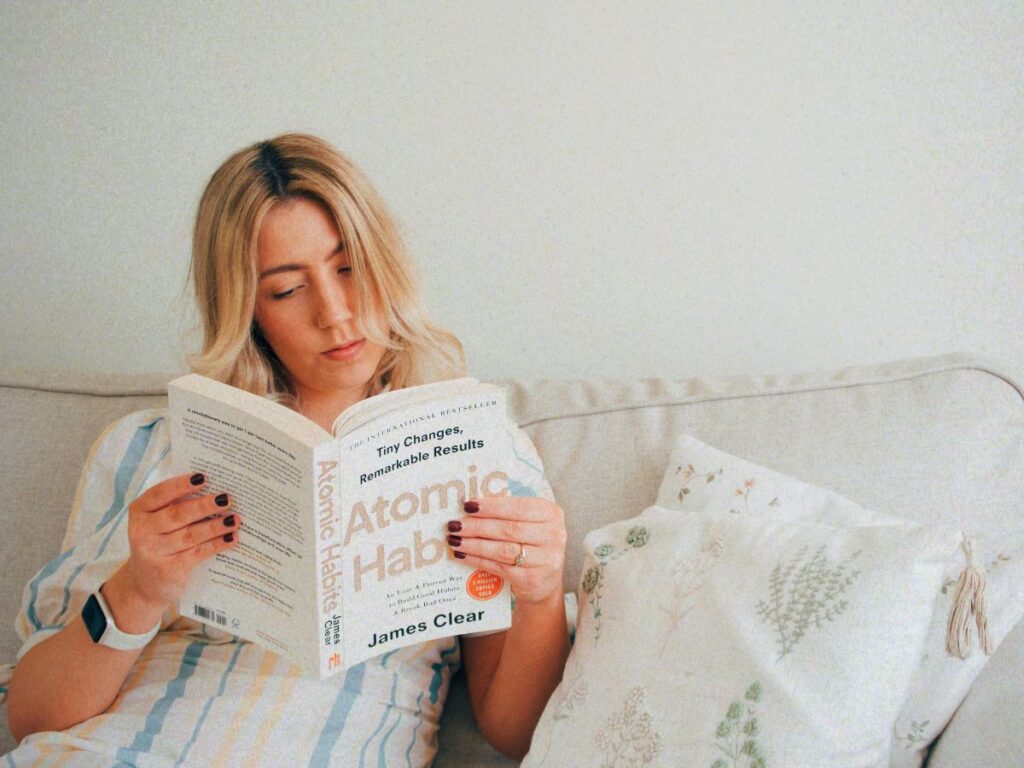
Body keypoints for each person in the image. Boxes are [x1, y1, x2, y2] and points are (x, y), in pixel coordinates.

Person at [5, 133, 570, 764]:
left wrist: (542, 593)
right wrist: (139, 589)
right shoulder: (146, 448)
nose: (335, 314)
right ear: (247, 308)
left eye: (349, 267)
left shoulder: (482, 450)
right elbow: (32, 717)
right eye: (285, 290)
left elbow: (515, 731)